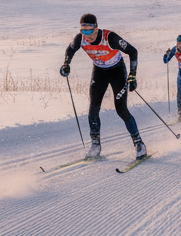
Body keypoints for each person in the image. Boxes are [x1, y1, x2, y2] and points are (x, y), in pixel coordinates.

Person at [61, 13, 145, 159]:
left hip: (117, 71)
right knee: (93, 109)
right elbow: (70, 49)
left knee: (121, 110)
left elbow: (133, 51)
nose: (87, 35)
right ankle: (95, 145)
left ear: (96, 28)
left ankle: (139, 143)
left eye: (89, 30)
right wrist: (66, 64)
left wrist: (132, 75)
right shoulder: (80, 39)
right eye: (83, 31)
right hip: (99, 71)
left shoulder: (110, 38)